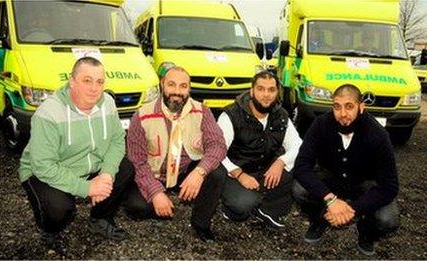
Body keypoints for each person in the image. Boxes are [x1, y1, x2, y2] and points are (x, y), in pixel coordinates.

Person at [19, 56, 132, 250]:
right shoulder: (49, 113)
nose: (94, 88)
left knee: (125, 169)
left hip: (90, 166)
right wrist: (86, 188)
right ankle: (49, 230)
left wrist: (106, 175)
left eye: (100, 82)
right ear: (72, 81)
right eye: (87, 80)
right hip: (46, 171)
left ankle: (99, 219)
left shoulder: (108, 104)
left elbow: (116, 141)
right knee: (59, 209)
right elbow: (43, 165)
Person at [292, 84, 400, 256]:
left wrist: (352, 209)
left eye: (349, 106)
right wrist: (331, 200)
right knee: (299, 189)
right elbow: (301, 167)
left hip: (363, 185)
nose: (342, 113)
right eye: (337, 107)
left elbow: (390, 186)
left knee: (388, 219)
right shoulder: (321, 124)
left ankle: (366, 231)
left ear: (361, 107)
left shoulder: (378, 134)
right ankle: (320, 219)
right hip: (332, 181)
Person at [125, 66, 227, 243]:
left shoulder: (202, 111)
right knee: (137, 207)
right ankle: (166, 200)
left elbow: (217, 145)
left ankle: (201, 224)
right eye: (171, 85)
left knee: (218, 173)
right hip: (155, 173)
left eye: (183, 86)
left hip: (185, 171)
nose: (177, 92)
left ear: (189, 89)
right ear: (162, 85)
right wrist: (156, 193)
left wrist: (199, 173)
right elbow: (137, 161)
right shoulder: (141, 115)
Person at [217, 71, 301, 229]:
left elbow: (297, 144)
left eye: (271, 90)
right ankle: (231, 208)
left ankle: (266, 210)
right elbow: (217, 153)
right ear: (252, 91)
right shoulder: (231, 115)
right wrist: (240, 175)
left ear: (277, 92)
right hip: (237, 172)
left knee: (296, 168)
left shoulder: (281, 115)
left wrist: (280, 162)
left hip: (265, 169)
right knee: (243, 205)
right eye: (261, 89)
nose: (266, 95)